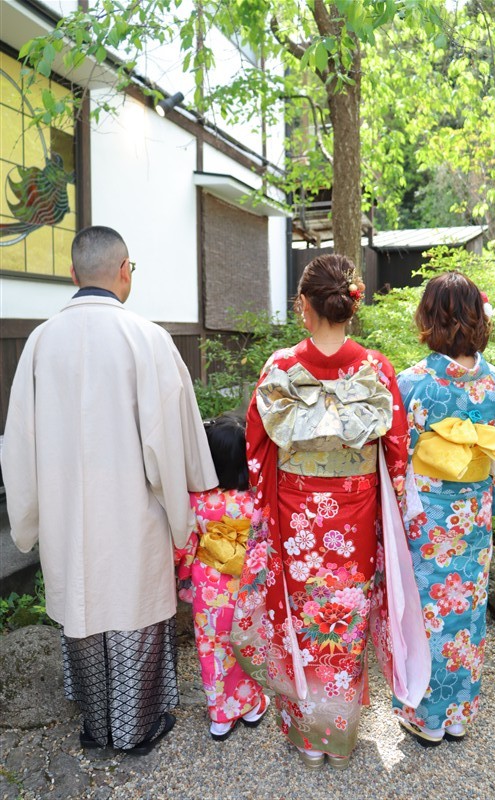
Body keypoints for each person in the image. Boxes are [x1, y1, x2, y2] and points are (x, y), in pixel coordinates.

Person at [2, 225, 218, 755]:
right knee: (133, 610)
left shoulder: (40, 342)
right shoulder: (147, 337)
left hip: (66, 510)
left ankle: (97, 723)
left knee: (82, 604)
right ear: (124, 271)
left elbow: (19, 442)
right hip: (131, 508)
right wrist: (185, 508)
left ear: (73, 274)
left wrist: (28, 520)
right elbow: (170, 439)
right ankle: (134, 727)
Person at [231, 254, 430, 770]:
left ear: (305, 305)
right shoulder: (376, 368)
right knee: (343, 621)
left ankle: (307, 738)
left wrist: (266, 502)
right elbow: (397, 450)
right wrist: (393, 502)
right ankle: (338, 738)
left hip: (295, 516)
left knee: (302, 620)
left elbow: (257, 447)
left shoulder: (280, 367)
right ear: (349, 304)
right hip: (356, 517)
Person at [392, 271, 495, 746]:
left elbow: (395, 454)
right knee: (466, 611)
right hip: (474, 516)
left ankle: (427, 717)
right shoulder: (494, 382)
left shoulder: (413, 383)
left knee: (427, 613)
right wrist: (485, 500)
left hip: (426, 517)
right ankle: (458, 714)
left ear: (429, 318)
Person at [174, 413, 270, 740]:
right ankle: (252, 705)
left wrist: (184, 577)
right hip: (247, 586)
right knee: (248, 644)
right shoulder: (257, 500)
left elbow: (187, 545)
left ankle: (221, 716)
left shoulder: (196, 501)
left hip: (210, 589)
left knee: (213, 648)